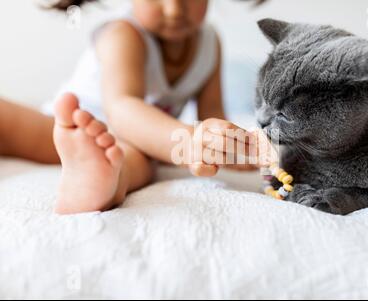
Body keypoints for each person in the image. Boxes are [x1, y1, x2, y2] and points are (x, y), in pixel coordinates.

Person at [0, 0, 265, 214]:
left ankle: (98, 183)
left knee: (132, 163)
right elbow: (123, 107)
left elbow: (213, 114)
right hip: (66, 127)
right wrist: (189, 142)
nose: (174, 9)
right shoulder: (123, 34)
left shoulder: (210, 43)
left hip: (131, 146)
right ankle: (98, 166)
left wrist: (234, 148)